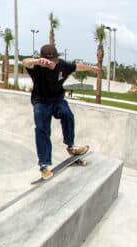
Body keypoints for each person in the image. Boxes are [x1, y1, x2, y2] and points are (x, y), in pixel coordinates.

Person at [23, 45, 100, 180]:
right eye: (50, 61)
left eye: (55, 60)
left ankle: (71, 146)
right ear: (43, 60)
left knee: (67, 114)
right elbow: (25, 62)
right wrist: (36, 61)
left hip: (57, 100)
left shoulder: (62, 65)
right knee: (42, 129)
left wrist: (91, 68)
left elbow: (77, 66)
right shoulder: (36, 68)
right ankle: (44, 164)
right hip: (41, 102)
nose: (54, 63)